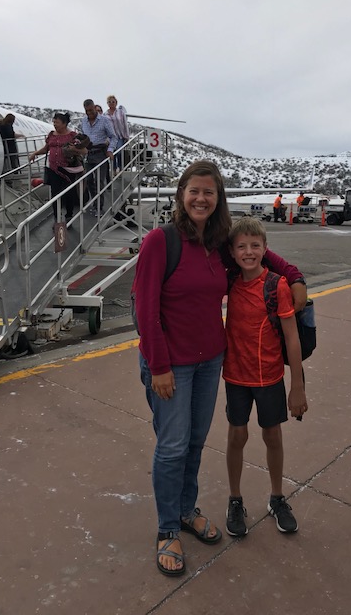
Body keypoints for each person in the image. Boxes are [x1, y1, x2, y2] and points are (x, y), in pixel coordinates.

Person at [132, 160, 307, 577]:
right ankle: (167, 528)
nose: (201, 198)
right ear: (181, 194)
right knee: (172, 446)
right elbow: (144, 310)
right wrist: (159, 366)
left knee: (194, 442)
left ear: (218, 199)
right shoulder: (161, 241)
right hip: (170, 364)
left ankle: (186, 509)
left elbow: (262, 255)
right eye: (194, 190)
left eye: (209, 192)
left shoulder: (219, 244)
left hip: (210, 361)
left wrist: (295, 277)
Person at [223, 217, 308, 539]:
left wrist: (297, 386)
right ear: (232, 252)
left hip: (269, 377)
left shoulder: (276, 286)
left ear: (265, 249)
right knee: (237, 436)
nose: (248, 252)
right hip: (236, 376)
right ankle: (235, 499)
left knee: (272, 436)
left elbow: (292, 338)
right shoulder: (230, 282)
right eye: (241, 247)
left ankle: (277, 497)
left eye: (255, 246)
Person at [29, 112, 86, 223]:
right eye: (54, 122)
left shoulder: (72, 135)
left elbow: (84, 150)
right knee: (55, 193)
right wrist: (35, 153)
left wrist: (74, 149)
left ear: (64, 124)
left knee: (68, 192)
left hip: (68, 169)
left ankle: (69, 214)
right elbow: (46, 149)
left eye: (57, 122)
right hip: (54, 169)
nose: (55, 124)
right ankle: (57, 217)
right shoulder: (51, 135)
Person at [80, 99, 115, 215]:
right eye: (87, 111)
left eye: (91, 110)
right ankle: (95, 203)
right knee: (89, 180)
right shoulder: (84, 121)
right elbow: (83, 136)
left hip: (100, 153)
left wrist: (110, 150)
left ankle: (99, 207)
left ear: (94, 107)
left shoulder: (104, 120)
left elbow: (113, 137)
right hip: (89, 153)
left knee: (99, 181)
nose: (89, 113)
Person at [104, 95, 129, 172]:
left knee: (119, 151)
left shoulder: (121, 112)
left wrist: (126, 136)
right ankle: (114, 169)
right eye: (109, 102)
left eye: (113, 102)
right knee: (112, 153)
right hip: (110, 137)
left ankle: (120, 167)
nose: (111, 103)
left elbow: (125, 124)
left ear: (116, 103)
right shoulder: (105, 114)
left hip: (119, 135)